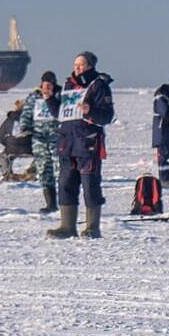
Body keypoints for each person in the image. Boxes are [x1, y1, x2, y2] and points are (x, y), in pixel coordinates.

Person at [53, 51, 116, 239]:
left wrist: (90, 112)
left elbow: (107, 116)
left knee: (90, 185)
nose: (77, 68)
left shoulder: (99, 86)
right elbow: (60, 113)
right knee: (65, 184)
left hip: (88, 143)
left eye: (81, 64)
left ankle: (92, 227)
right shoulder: (68, 85)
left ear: (90, 66)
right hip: (67, 142)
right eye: (75, 64)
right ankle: (67, 226)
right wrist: (49, 100)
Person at [20, 71, 62, 214]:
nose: (47, 87)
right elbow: (26, 114)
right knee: (44, 169)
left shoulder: (60, 95)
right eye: (45, 84)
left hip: (57, 137)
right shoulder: (34, 97)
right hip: (39, 139)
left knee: (60, 169)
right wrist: (25, 128)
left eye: (50, 84)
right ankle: (50, 203)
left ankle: (66, 203)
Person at [0, 99, 34, 181]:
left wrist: (8, 144)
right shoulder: (33, 119)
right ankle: (32, 172)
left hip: (11, 149)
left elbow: (1, 136)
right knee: (42, 155)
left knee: (3, 156)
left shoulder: (9, 119)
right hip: (30, 149)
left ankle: (7, 174)